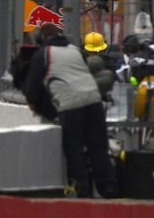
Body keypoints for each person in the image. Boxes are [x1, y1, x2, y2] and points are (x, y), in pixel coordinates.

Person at [24, 23, 118, 198]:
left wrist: (37, 105)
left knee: (74, 149)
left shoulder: (42, 54)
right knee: (98, 146)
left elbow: (32, 88)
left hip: (70, 104)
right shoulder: (75, 50)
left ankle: (82, 190)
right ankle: (109, 188)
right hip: (93, 100)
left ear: (41, 39)